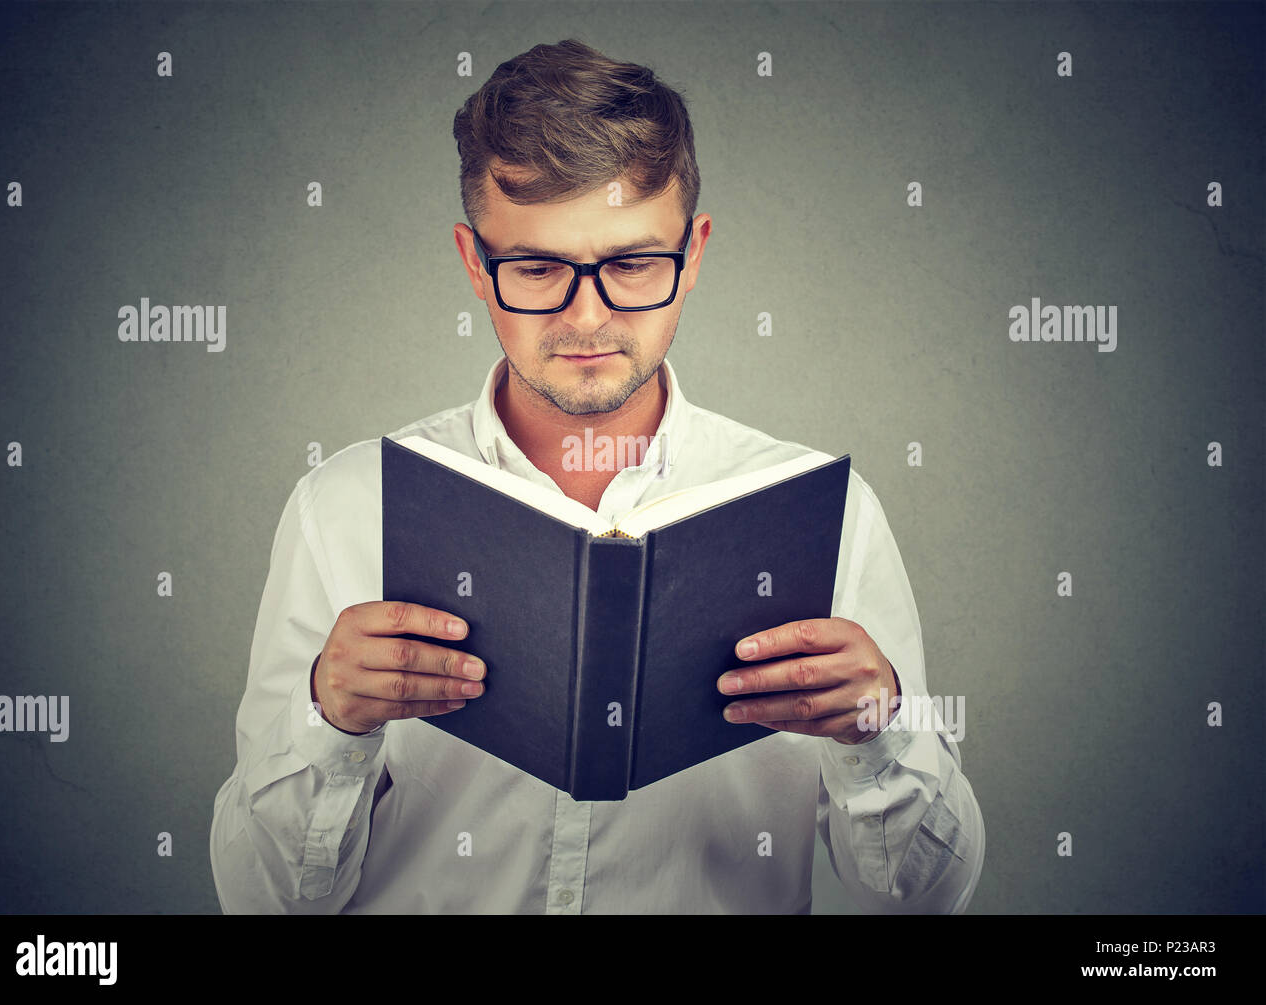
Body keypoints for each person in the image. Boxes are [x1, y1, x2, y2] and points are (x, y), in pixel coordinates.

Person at [210, 38, 984, 914]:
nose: (587, 317)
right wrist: (331, 719)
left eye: (631, 264)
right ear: (475, 263)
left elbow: (928, 897)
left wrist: (876, 732)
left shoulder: (825, 515)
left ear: (692, 255)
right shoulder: (346, 507)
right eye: (537, 268)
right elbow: (258, 899)